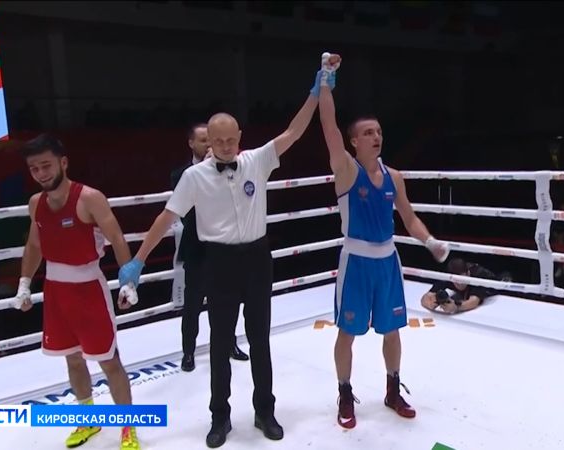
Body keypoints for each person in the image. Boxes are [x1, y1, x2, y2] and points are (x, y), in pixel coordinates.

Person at [118, 54, 327, 448]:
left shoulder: (256, 160)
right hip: (218, 262)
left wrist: (316, 93)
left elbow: (294, 131)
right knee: (219, 344)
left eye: (232, 140)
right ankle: (220, 417)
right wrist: (139, 259)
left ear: (239, 136)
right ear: (208, 143)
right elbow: (166, 217)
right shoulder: (194, 176)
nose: (227, 147)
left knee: (260, 340)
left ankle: (265, 411)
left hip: (257, 259)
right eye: (219, 142)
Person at [317, 56, 450, 429]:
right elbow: (328, 125)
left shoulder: (395, 176)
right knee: (348, 333)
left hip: (388, 261)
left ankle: (392, 389)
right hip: (356, 263)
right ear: (354, 141)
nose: (376, 136)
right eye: (368, 132)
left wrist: (430, 241)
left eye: (378, 131)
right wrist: (326, 79)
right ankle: (345, 392)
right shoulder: (346, 170)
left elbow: (408, 217)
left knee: (392, 331)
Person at [13, 134, 140, 450]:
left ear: (63, 163)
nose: (41, 174)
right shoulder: (35, 203)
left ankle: (128, 427)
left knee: (109, 361)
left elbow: (117, 238)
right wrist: (24, 283)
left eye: (46, 165)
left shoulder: (89, 198)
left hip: (88, 289)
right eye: (34, 169)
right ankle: (88, 419)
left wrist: (129, 281)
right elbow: (34, 245)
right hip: (56, 291)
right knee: (72, 360)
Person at [170, 123, 249, 371]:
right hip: (196, 248)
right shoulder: (181, 175)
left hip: (224, 247)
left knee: (227, 301)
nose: (207, 144)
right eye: (203, 140)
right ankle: (188, 352)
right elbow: (185, 212)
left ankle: (230, 344)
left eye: (210, 139)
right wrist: (204, 172)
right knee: (192, 305)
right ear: (191, 143)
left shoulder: (228, 170)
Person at [420, 258, 496, 314]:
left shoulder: (477, 278)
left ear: (468, 274)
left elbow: (473, 301)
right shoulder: (449, 277)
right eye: (455, 280)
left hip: (496, 285)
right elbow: (427, 296)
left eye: (461, 278)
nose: (458, 283)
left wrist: (456, 307)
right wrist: (429, 304)